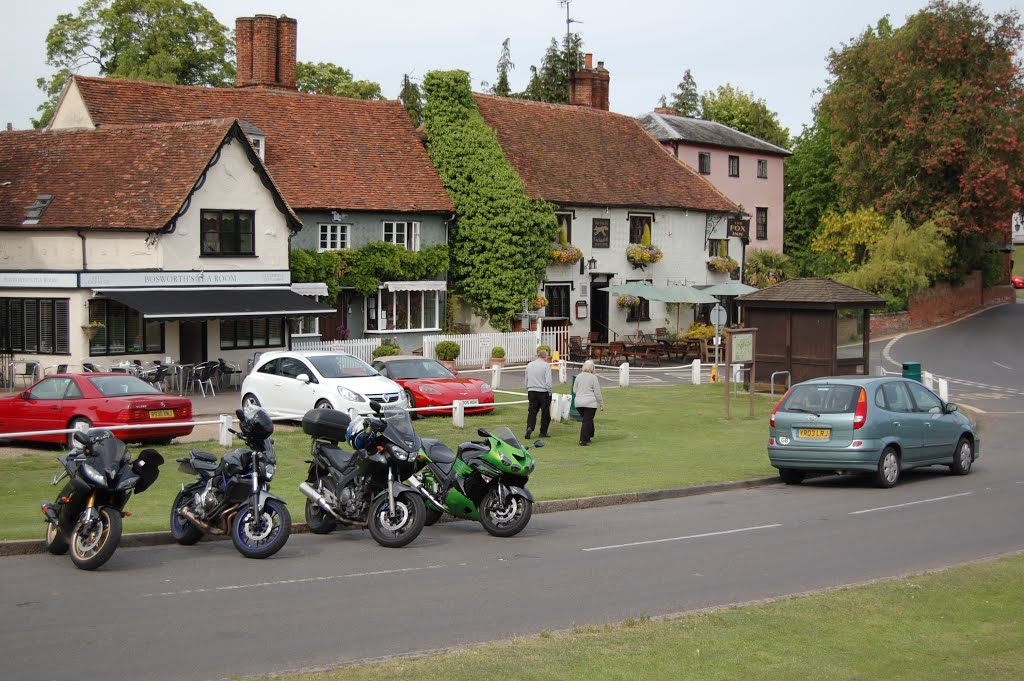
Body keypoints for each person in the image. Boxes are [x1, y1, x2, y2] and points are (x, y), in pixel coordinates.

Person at [573, 359, 604, 446]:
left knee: (587, 419)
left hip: (578, 403)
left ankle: (590, 435)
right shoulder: (593, 378)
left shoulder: (578, 376)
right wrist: (601, 403)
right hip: (590, 403)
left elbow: (574, 390)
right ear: (592, 368)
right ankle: (583, 440)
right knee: (587, 421)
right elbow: (597, 393)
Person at [524, 348, 552, 439]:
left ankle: (530, 427)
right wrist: (549, 391)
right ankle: (543, 431)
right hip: (543, 391)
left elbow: (526, 378)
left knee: (532, 411)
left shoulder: (529, 365)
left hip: (532, 390)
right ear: (545, 356)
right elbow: (548, 381)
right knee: (545, 412)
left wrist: (528, 387)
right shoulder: (546, 365)